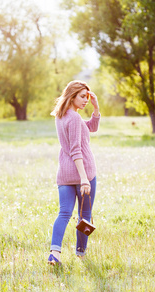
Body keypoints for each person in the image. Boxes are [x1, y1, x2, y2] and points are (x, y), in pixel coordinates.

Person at [48, 80, 100, 266]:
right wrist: (84, 179)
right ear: (72, 95)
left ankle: (54, 253)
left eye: (87, 97)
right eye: (82, 96)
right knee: (84, 215)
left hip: (64, 173)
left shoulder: (61, 116)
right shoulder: (75, 118)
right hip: (82, 173)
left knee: (64, 213)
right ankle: (81, 253)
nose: (85, 100)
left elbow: (91, 127)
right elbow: (76, 150)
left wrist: (96, 109)